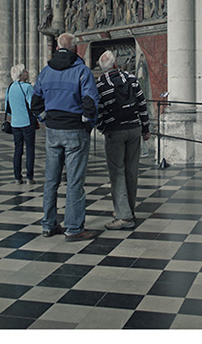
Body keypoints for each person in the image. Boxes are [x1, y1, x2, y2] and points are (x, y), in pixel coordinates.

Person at [31, 32, 101, 241]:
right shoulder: (82, 71)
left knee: (51, 180)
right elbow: (90, 103)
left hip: (53, 131)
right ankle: (73, 228)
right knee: (74, 181)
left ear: (57, 48)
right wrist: (86, 124)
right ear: (75, 49)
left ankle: (48, 224)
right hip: (74, 130)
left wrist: (45, 118)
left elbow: (35, 103)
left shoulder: (45, 72)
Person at [95, 50, 150, 230]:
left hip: (115, 131)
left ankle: (124, 216)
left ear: (102, 68)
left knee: (117, 173)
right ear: (116, 64)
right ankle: (127, 210)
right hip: (134, 129)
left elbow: (98, 111)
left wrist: (103, 128)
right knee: (131, 171)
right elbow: (142, 104)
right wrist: (146, 129)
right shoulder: (132, 79)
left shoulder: (101, 84)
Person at [6, 63, 36, 184]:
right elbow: (32, 105)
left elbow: (7, 106)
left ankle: (17, 177)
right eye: (25, 71)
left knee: (17, 150)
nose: (27, 72)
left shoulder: (10, 87)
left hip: (15, 123)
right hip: (27, 122)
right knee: (29, 150)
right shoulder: (27, 87)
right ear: (21, 75)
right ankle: (29, 177)